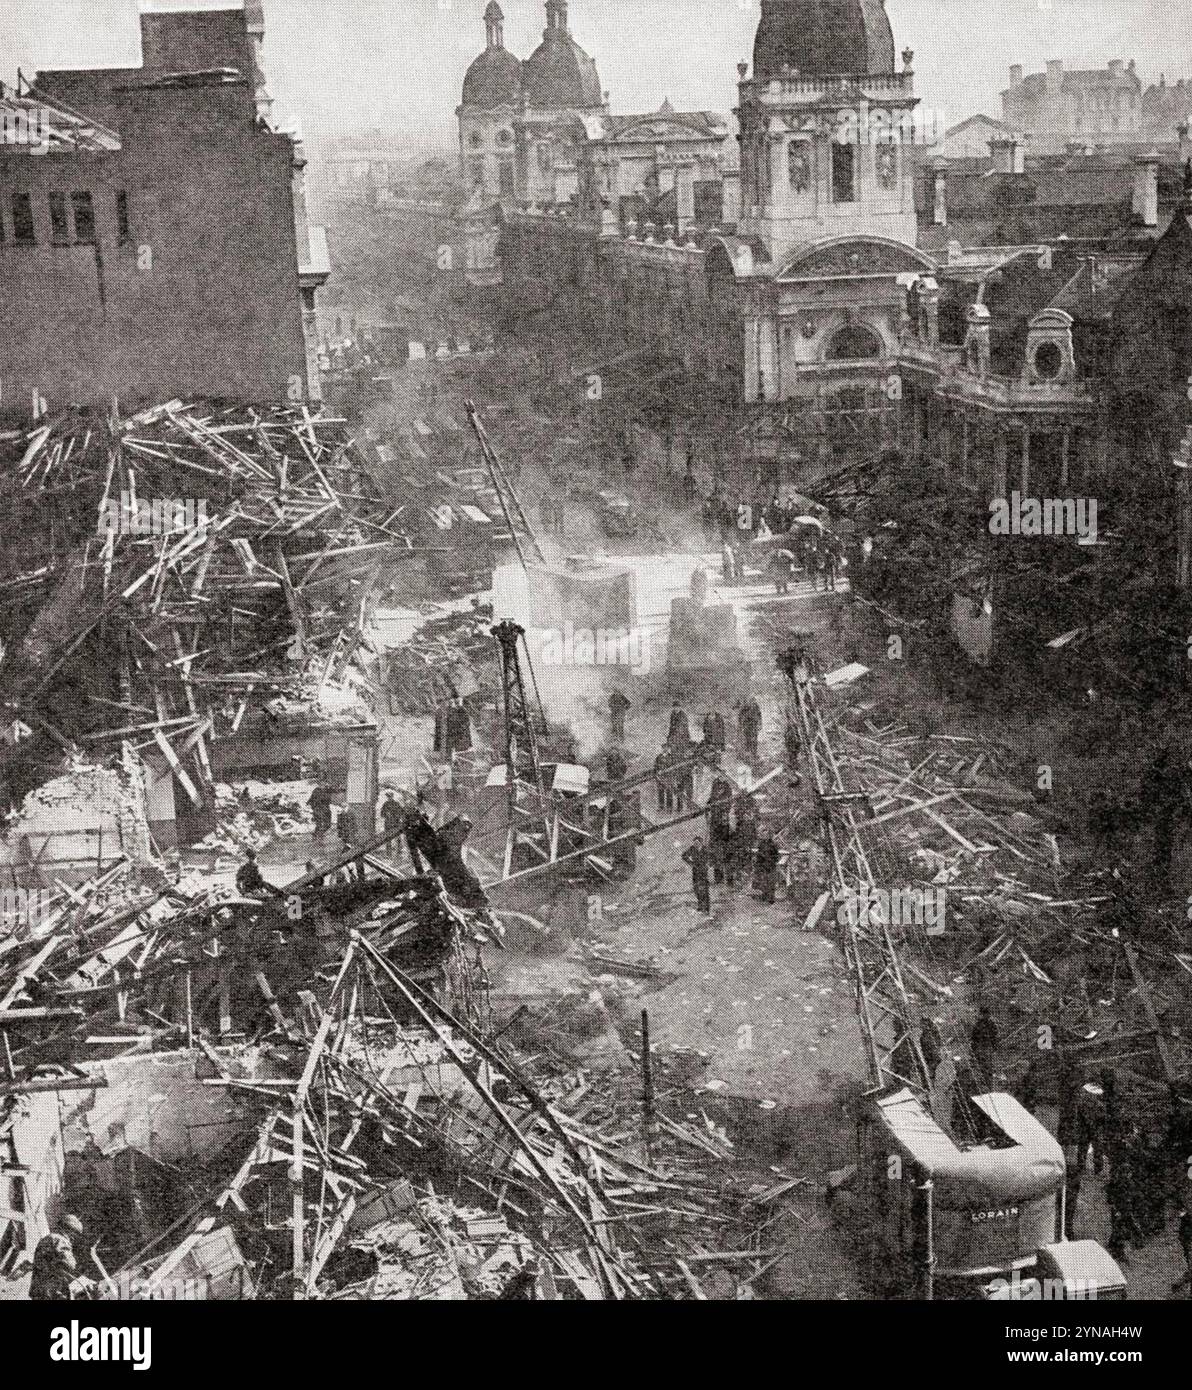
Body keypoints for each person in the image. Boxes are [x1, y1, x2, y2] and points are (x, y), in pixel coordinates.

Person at [29, 1215, 86, 1300]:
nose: (74, 1238)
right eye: (75, 1233)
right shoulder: (60, 1240)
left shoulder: (47, 1238)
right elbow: (70, 1264)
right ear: (70, 1230)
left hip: (39, 1288)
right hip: (52, 1291)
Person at [682, 837, 712, 915]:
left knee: (704, 890)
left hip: (703, 872)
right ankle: (700, 905)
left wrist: (708, 864)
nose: (696, 844)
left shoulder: (705, 849)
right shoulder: (692, 849)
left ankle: (707, 908)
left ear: (701, 843)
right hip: (695, 871)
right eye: (694, 842)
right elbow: (684, 855)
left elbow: (712, 857)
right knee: (696, 889)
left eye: (697, 842)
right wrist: (691, 863)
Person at [970, 1004, 998, 1089]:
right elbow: (994, 1037)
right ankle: (986, 1086)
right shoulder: (990, 1024)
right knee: (986, 1068)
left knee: (983, 1068)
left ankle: (984, 1086)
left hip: (982, 1048)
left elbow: (973, 1039)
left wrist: (973, 1051)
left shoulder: (978, 1024)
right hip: (985, 1048)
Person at [752, 830, 780, 903]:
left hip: (771, 865)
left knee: (771, 882)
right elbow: (758, 854)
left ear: (769, 836)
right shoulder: (761, 844)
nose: (765, 836)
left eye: (766, 835)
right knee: (763, 881)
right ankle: (764, 895)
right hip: (763, 865)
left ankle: (771, 898)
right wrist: (759, 861)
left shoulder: (773, 844)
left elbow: (777, 855)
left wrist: (772, 860)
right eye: (763, 835)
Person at [654, 744, 673, 812]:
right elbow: (655, 766)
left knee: (669, 792)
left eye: (666, 747)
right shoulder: (658, 757)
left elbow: (673, 767)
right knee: (661, 792)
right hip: (660, 777)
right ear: (662, 748)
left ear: (668, 748)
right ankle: (661, 806)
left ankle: (669, 807)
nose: (665, 749)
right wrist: (657, 773)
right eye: (664, 748)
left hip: (668, 777)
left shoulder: (671, 757)